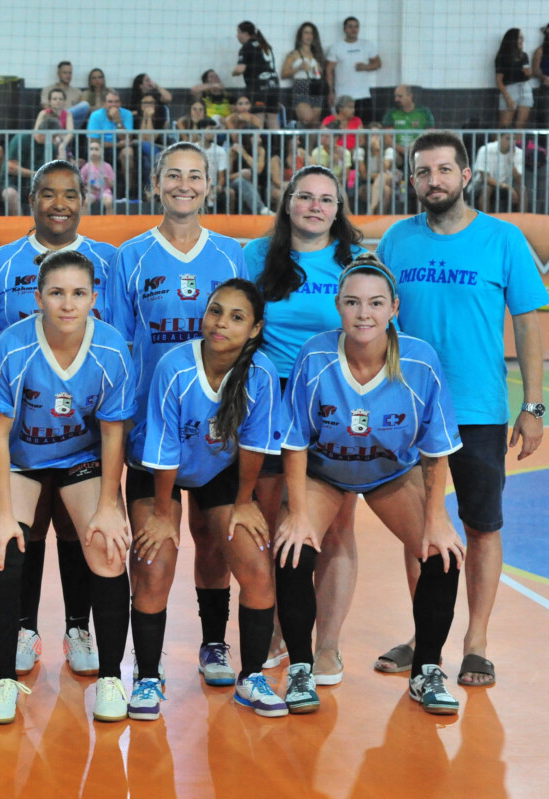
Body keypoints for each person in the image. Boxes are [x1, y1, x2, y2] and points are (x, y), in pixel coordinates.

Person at [376, 130, 546, 687]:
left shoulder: (503, 239)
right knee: (417, 529)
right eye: (424, 172)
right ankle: (424, 636)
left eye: (444, 170)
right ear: (413, 180)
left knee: (481, 525)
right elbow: (376, 317)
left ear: (466, 175)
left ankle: (476, 642)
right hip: (408, 410)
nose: (434, 181)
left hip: (478, 409)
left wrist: (534, 406)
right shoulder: (397, 240)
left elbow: (528, 322)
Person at [275, 254, 464, 715]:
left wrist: (436, 518)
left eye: (376, 303)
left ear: (394, 308)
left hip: (390, 474)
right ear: (338, 306)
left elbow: (436, 448)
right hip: (325, 472)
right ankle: (301, 668)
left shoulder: (419, 361)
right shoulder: (316, 356)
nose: (364, 314)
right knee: (293, 547)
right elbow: (295, 441)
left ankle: (426, 670)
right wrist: (297, 514)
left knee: (442, 553)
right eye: (353, 302)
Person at [108, 143, 247, 692]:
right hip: (153, 430)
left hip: (218, 431)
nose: (183, 184)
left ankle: (214, 642)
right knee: (153, 551)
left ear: (209, 185)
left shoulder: (231, 255)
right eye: (173, 175)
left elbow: (246, 340)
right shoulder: (131, 255)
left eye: (194, 176)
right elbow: (119, 347)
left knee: (212, 541)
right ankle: (148, 663)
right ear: (156, 183)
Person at [0, 160, 118, 677]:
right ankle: (23, 628)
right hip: (19, 430)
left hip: (80, 430)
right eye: (48, 193)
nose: (60, 204)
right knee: (24, 530)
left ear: (85, 200)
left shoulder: (108, 260)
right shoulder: (0, 260)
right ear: (31, 199)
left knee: (78, 529)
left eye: (70, 194)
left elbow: (115, 335)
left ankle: (78, 627)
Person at [0, 249, 134, 723]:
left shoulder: (111, 348)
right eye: (57, 293)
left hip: (80, 460)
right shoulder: (11, 346)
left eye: (79, 293)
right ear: (38, 297)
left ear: (94, 297)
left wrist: (109, 506)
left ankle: (111, 678)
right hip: (21, 461)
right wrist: (0, 513)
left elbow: (113, 434)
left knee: (108, 547)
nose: (68, 304)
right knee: (2, 549)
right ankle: (3, 680)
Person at [127, 277, 284, 720]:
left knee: (255, 565)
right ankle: (147, 676)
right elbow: (163, 445)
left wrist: (244, 501)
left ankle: (245, 672)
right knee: (155, 562)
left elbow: (255, 443)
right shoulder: (175, 366)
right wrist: (163, 514)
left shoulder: (261, 373)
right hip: (156, 470)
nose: (221, 323)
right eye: (215, 311)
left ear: (254, 329)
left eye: (236, 317)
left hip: (218, 470)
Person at [244, 164, 366, 683]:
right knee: (275, 521)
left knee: (336, 526)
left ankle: (328, 644)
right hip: (272, 401)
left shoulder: (354, 262)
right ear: (288, 203)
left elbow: (376, 332)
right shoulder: (256, 256)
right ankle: (276, 628)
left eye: (326, 199)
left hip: (333, 400)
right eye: (305, 196)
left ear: (337, 210)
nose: (315, 206)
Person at [2, 117, 68, 216]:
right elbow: (11, 167)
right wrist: (36, 174)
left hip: (37, 185)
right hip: (12, 182)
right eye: (54, 137)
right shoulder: (22, 139)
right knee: (10, 194)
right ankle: (20, 224)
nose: (55, 140)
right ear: (44, 133)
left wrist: (62, 156)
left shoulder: (52, 147)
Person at [325, 17, 381, 124]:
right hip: (343, 96)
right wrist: (330, 92)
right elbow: (329, 70)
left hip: (363, 95)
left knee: (364, 126)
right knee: (343, 126)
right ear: (344, 29)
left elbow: (378, 63)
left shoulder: (367, 44)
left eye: (356, 26)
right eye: (350, 26)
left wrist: (366, 67)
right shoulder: (336, 47)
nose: (353, 29)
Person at [232, 21, 281, 128]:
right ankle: (276, 139)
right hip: (274, 85)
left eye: (238, 32)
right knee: (273, 119)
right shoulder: (264, 45)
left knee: (258, 119)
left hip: (259, 87)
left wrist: (233, 72)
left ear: (245, 33)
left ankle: (257, 139)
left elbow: (240, 69)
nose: (237, 36)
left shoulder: (247, 47)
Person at [86, 89, 134, 196]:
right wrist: (117, 144)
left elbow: (127, 138)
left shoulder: (127, 114)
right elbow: (94, 141)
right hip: (103, 148)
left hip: (121, 147)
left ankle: (128, 192)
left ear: (120, 103)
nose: (113, 105)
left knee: (128, 153)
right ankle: (99, 192)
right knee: (95, 150)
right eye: (110, 102)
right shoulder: (96, 115)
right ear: (104, 103)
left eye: (116, 101)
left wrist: (118, 120)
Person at [281, 22, 327, 128]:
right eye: (306, 33)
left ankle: (309, 139)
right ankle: (298, 130)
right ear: (300, 35)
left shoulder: (317, 54)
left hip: (316, 86)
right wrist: (299, 68)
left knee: (315, 122)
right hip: (301, 85)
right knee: (307, 118)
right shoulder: (294, 54)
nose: (308, 36)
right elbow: (283, 74)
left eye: (311, 33)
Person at [380, 86, 434, 166]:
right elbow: (387, 137)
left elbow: (430, 134)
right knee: (390, 153)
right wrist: (402, 149)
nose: (396, 99)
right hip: (397, 152)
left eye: (400, 96)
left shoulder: (424, 112)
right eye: (395, 96)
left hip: (419, 150)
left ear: (410, 96)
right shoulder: (391, 113)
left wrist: (415, 147)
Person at [470, 133, 524, 213]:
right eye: (508, 139)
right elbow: (485, 178)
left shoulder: (519, 153)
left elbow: (520, 181)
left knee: (522, 189)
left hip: (507, 184)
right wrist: (507, 187)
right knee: (487, 188)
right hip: (484, 183)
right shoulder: (485, 150)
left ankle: (522, 218)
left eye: (514, 139)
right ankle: (485, 219)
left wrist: (512, 163)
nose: (512, 142)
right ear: (499, 138)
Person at [495, 28, 534, 129]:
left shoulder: (524, 56)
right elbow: (499, 81)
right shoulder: (502, 57)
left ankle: (518, 140)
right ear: (512, 40)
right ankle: (498, 140)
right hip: (510, 89)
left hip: (525, 88)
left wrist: (529, 74)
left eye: (522, 38)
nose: (522, 40)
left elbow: (527, 76)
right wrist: (508, 98)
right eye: (519, 38)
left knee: (521, 125)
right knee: (504, 125)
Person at [40, 61, 89, 129]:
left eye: (70, 73)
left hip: (72, 124)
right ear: (58, 74)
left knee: (85, 105)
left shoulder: (77, 92)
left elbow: (83, 110)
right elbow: (45, 107)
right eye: (65, 73)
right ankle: (63, 118)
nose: (68, 76)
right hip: (55, 122)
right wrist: (60, 114)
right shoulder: (48, 89)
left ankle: (65, 118)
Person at [80, 140, 115, 214]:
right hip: (90, 192)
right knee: (85, 202)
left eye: (96, 149)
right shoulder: (86, 167)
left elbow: (112, 185)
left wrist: (107, 180)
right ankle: (84, 221)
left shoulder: (107, 166)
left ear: (102, 151)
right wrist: (88, 189)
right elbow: (80, 184)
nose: (93, 151)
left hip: (105, 191)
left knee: (108, 203)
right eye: (91, 149)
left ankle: (111, 220)